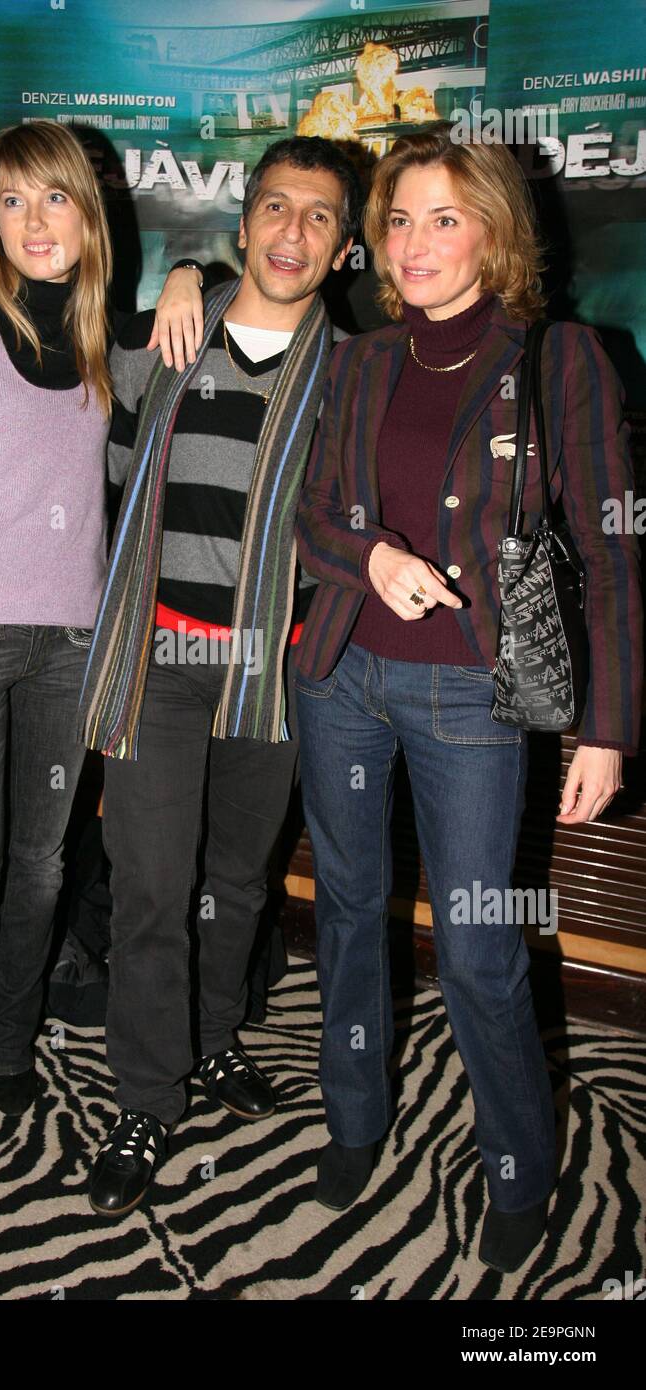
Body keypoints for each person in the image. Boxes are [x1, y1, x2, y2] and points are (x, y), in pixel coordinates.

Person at [293, 123, 643, 1271]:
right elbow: (309, 515)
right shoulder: (354, 359)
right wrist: (370, 560)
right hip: (341, 676)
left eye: (444, 216)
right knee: (345, 912)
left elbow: (610, 549)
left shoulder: (559, 360)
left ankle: (517, 1163)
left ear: (494, 233)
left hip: (473, 699)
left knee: (482, 948)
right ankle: (354, 1118)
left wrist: (606, 725)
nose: (413, 241)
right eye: (397, 219)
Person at [0, 120, 202, 1130]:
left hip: (72, 646)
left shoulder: (105, 343)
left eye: (54, 197)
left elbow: (243, 309)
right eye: (12, 200)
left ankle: (12, 1038)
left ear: (87, 214)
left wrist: (195, 268)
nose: (33, 220)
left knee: (42, 870)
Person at [75, 135, 358, 1217]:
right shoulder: (166, 340)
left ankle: (211, 1041)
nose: (292, 231)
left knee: (236, 883)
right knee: (151, 887)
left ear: (341, 249)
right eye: (275, 208)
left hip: (267, 668)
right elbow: (96, 476)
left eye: (319, 216)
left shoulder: (350, 372)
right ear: (240, 225)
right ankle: (147, 1095)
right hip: (159, 659)